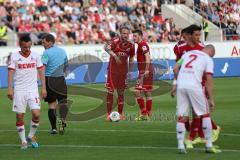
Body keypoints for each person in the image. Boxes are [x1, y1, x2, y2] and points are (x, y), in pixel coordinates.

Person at [172, 24, 220, 148]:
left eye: (200, 35)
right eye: (196, 35)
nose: (199, 37)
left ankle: (194, 137)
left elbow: (205, 69)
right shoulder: (179, 47)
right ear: (188, 35)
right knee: (187, 114)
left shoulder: (202, 48)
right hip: (184, 81)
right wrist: (175, 83)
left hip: (199, 82)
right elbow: (177, 65)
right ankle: (208, 130)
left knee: (197, 111)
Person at [7, 35, 46, 149]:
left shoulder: (36, 56)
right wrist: (10, 88)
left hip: (33, 89)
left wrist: (43, 88)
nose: (27, 49)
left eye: (29, 47)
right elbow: (10, 72)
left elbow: (41, 71)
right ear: (20, 45)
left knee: (36, 114)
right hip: (19, 90)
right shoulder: (14, 57)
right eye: (25, 47)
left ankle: (30, 136)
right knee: (19, 116)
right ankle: (23, 141)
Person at [104, 24, 135, 121]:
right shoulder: (114, 42)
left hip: (123, 72)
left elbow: (132, 58)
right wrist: (114, 55)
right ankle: (108, 115)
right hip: (112, 71)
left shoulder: (131, 45)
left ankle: (120, 114)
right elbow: (106, 48)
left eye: (127, 33)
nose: (125, 35)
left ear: (129, 34)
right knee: (110, 91)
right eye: (123, 33)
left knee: (121, 93)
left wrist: (130, 71)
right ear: (120, 33)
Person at [41, 34, 68, 134]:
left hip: (49, 80)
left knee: (51, 105)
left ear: (50, 42)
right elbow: (66, 66)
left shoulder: (46, 53)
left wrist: (43, 85)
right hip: (60, 79)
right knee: (63, 103)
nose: (42, 44)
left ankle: (53, 128)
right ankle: (62, 122)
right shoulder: (62, 51)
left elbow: (42, 68)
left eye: (44, 42)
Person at [132, 29, 153, 121]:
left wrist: (147, 70)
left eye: (135, 36)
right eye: (133, 36)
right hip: (143, 71)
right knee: (147, 92)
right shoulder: (140, 45)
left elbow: (147, 57)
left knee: (137, 91)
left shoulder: (142, 44)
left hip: (145, 71)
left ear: (140, 36)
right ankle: (148, 113)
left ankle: (144, 113)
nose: (134, 38)